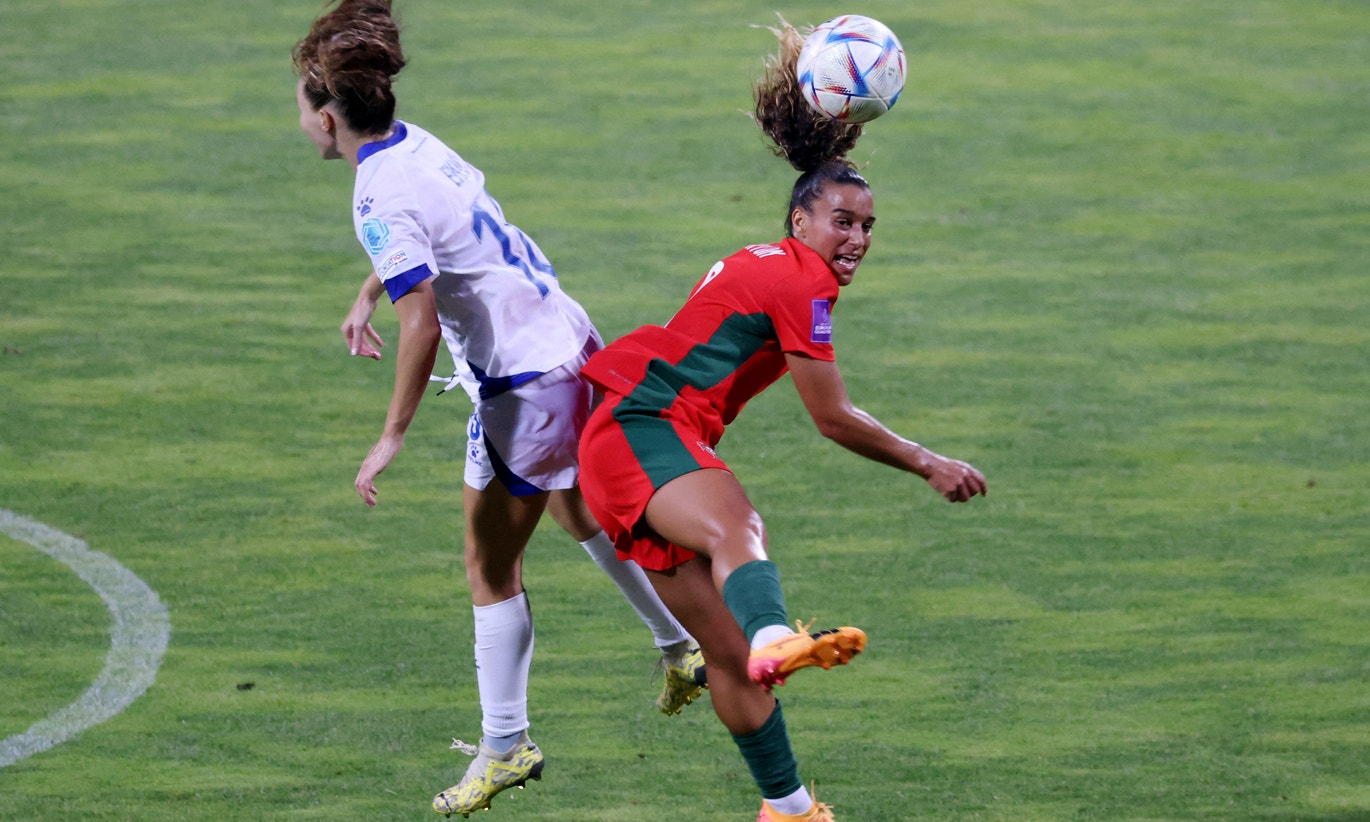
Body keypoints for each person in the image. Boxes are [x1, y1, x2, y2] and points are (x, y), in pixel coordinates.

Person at [289, 1, 705, 817]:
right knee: (579, 505)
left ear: (329, 116)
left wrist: (390, 436)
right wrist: (370, 287)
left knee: (490, 568)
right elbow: (451, 238)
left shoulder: (373, 196)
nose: (300, 122)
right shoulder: (417, 145)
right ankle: (679, 646)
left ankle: (506, 746)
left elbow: (423, 321)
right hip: (568, 336)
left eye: (302, 108)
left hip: (522, 385)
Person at [576, 21, 988, 822]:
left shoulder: (768, 262)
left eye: (868, 226)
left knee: (726, 663)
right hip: (642, 429)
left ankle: (790, 810)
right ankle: (775, 636)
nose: (857, 239)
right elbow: (830, 418)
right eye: (843, 221)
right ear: (802, 222)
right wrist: (927, 461)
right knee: (739, 526)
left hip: (627, 446)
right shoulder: (801, 283)